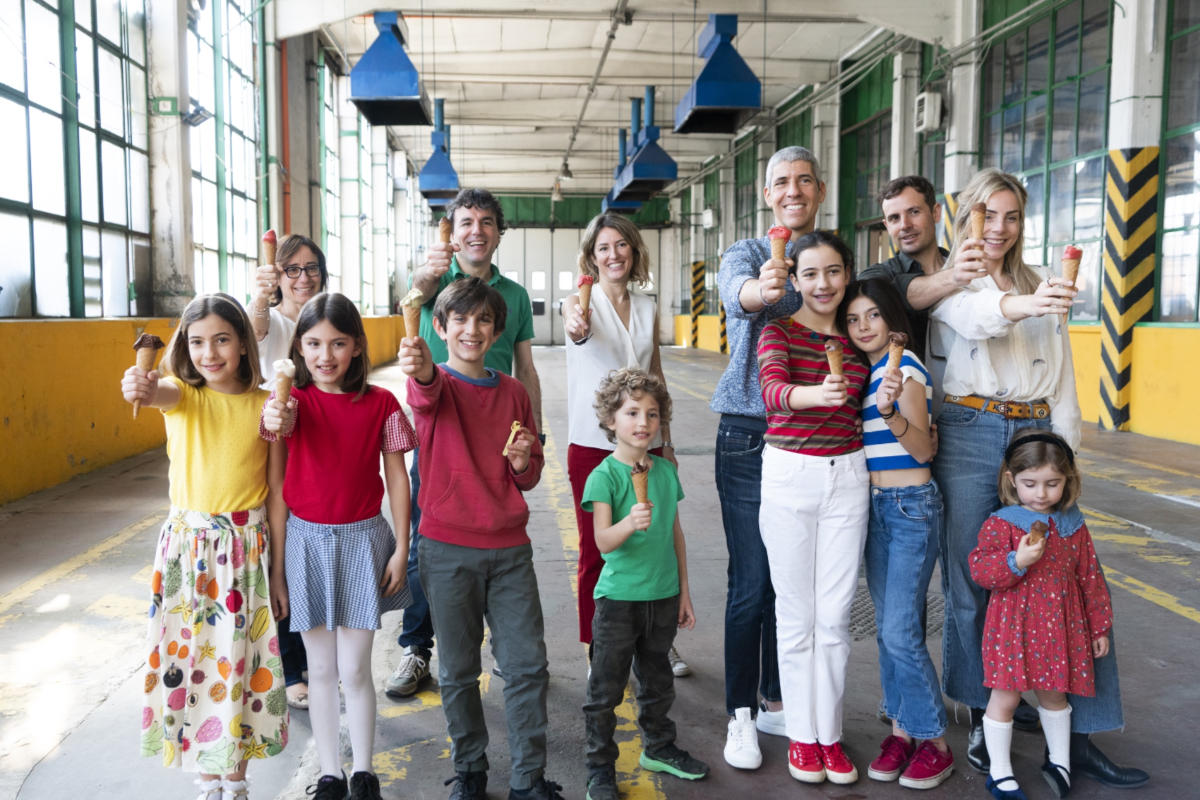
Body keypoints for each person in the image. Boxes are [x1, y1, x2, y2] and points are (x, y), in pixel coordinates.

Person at [930, 168, 1146, 788]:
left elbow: (1064, 382)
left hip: (1037, 437)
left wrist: (1064, 459)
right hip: (971, 434)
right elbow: (978, 320)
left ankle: (1080, 735)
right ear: (967, 216)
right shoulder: (952, 278)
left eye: (1012, 216)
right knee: (977, 587)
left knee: (1076, 588)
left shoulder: (1045, 285)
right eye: (987, 214)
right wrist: (1031, 303)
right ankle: (982, 719)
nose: (999, 228)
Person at [397, 277, 562, 800]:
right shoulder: (437, 384)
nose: (472, 329)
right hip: (446, 551)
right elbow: (423, 390)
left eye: (483, 320)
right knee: (459, 670)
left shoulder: (513, 392)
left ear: (497, 330)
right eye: (460, 320)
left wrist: (522, 462)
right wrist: (420, 365)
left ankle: (528, 778)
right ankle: (470, 770)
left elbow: (529, 471)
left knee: (527, 666)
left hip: (510, 550)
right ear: (440, 328)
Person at [120, 293, 287, 800]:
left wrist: (277, 572)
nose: (209, 353)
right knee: (191, 658)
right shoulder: (182, 394)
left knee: (237, 662)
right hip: (187, 553)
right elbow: (154, 393)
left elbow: (277, 493)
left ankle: (235, 778)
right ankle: (207, 776)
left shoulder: (268, 407)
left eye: (221, 340)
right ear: (183, 348)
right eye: (196, 342)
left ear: (242, 344)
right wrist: (138, 383)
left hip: (246, 553)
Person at [387, 188, 543, 700]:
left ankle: (507, 648)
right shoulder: (436, 282)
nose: (476, 230)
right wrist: (425, 277)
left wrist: (532, 434)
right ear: (451, 233)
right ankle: (416, 647)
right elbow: (412, 297)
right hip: (443, 430)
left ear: (499, 232)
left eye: (487, 222)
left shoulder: (514, 296)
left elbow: (525, 365)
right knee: (427, 545)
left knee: (495, 546)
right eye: (465, 222)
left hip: (496, 432)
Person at [260, 292, 416, 800]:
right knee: (320, 668)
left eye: (338, 343)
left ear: (356, 347)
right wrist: (278, 569)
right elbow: (278, 493)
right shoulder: (287, 408)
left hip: (362, 542)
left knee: (354, 668)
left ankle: (364, 770)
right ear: (299, 347)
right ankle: (330, 772)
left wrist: (400, 548)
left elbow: (398, 479)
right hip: (304, 544)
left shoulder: (381, 404)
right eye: (313, 343)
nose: (325, 355)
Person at [713, 145, 826, 769]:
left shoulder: (830, 257)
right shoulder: (749, 253)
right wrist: (767, 286)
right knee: (752, 583)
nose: (793, 190)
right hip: (752, 431)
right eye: (781, 181)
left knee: (795, 585)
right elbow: (739, 294)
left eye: (803, 180)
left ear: (820, 189)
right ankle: (741, 716)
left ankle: (780, 698)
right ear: (766, 193)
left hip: (818, 436)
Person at [757, 231, 870, 785]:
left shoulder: (859, 342)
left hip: (849, 478)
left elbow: (874, 405)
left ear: (846, 274)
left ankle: (830, 734)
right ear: (795, 279)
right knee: (796, 616)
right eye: (810, 274)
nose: (822, 284)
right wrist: (814, 395)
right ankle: (802, 735)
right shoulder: (776, 330)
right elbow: (773, 392)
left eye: (832, 272)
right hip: (789, 477)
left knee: (834, 617)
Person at [838, 279, 955, 789]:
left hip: (909, 507)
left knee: (899, 631)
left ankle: (935, 742)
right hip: (877, 506)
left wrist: (888, 411)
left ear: (892, 321)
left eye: (872, 317)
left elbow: (923, 452)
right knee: (889, 629)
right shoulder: (870, 374)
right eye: (853, 320)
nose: (863, 327)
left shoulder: (903, 371)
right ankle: (901, 731)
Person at [562, 212, 689, 677]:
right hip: (593, 446)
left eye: (621, 245)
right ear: (591, 258)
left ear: (633, 251)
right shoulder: (578, 303)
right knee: (597, 550)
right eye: (603, 248)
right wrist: (577, 322)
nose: (613, 254)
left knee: (652, 541)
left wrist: (667, 440)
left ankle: (658, 641)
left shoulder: (648, 306)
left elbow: (656, 374)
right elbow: (576, 327)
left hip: (645, 442)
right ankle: (599, 645)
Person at [580, 368, 707, 800]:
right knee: (605, 689)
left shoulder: (666, 473)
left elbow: (675, 534)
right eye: (632, 412)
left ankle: (659, 746)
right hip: (619, 601)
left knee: (658, 682)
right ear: (611, 420)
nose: (643, 423)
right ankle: (599, 767)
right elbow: (602, 541)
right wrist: (628, 524)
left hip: (664, 595)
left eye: (652, 414)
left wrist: (684, 591)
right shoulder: (605, 476)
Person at [969, 430, 1114, 800]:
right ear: (1011, 480)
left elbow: (1090, 578)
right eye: (1030, 483)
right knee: (1006, 698)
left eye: (1052, 483)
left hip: (1059, 629)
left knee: (1055, 696)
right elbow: (982, 570)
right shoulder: (1001, 523)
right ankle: (999, 773)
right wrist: (1016, 560)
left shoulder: (1073, 526)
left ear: (1068, 481)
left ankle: (1060, 762)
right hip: (1012, 628)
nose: (1041, 493)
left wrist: (1099, 626)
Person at [248, 233, 329, 710]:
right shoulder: (271, 321)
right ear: (278, 277)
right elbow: (256, 324)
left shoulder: (328, 316)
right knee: (279, 556)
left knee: (308, 558)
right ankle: (291, 667)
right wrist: (260, 296)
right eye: (291, 269)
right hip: (274, 451)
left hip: (317, 452)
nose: (303, 277)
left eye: (311, 267)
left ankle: (318, 659)